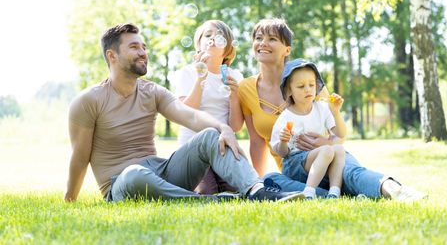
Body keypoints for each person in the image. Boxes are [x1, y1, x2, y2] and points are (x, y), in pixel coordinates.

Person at [64, 23, 303, 203]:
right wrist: (70, 201)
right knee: (134, 174)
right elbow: (80, 156)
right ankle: (204, 201)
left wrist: (223, 128)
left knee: (211, 134)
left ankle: (255, 190)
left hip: (160, 172)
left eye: (144, 47)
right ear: (112, 55)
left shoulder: (153, 91)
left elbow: (189, 115)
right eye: (134, 47)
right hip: (122, 183)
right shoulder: (88, 101)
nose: (143, 52)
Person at [238, 18, 427, 201]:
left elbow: (338, 136)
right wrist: (258, 186)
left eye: (272, 38)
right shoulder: (245, 88)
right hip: (296, 170)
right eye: (258, 38)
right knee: (270, 180)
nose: (263, 43)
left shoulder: (308, 82)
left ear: (287, 49)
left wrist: (325, 142)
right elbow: (256, 142)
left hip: (329, 157)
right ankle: (330, 194)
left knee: (351, 172)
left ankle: (398, 191)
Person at [174, 20, 243, 194]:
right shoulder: (188, 72)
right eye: (207, 35)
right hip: (193, 146)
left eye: (218, 36)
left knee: (236, 190)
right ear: (198, 44)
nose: (212, 39)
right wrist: (201, 78)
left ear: (227, 48)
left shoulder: (235, 76)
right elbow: (185, 114)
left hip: (223, 146)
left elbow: (235, 126)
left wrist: (235, 96)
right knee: (206, 191)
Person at [271, 59, 346, 199]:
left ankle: (334, 192)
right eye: (300, 86)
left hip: (319, 160)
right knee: (327, 149)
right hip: (294, 164)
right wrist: (283, 141)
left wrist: (335, 112)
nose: (308, 89)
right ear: (289, 90)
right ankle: (309, 192)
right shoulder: (286, 117)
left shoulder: (323, 109)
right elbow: (282, 153)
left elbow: (341, 134)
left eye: (311, 84)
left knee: (339, 149)